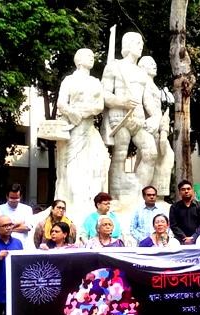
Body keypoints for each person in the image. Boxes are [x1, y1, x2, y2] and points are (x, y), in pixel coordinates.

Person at [102, 32, 157, 196]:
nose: (141, 46)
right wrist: (121, 101)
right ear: (127, 45)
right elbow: (103, 93)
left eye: (141, 42)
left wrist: (154, 117)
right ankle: (116, 195)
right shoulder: (114, 66)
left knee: (151, 153)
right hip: (120, 116)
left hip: (139, 118)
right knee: (120, 154)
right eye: (137, 42)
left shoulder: (142, 73)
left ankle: (139, 192)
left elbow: (147, 99)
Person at [55, 48, 109, 208]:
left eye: (93, 56)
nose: (92, 58)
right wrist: (73, 113)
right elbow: (61, 103)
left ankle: (94, 197)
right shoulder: (69, 80)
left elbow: (99, 105)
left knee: (100, 159)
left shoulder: (95, 82)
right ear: (78, 59)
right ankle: (75, 198)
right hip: (74, 127)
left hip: (89, 126)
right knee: (73, 161)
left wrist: (84, 112)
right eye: (88, 56)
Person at [139, 55, 174, 197]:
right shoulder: (145, 84)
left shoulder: (154, 86)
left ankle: (157, 193)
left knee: (163, 157)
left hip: (159, 125)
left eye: (154, 63)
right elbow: (148, 103)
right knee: (152, 158)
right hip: (151, 125)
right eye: (150, 63)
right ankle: (146, 192)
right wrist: (157, 119)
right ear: (142, 67)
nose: (154, 65)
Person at [0, 183, 34, 250]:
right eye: (12, 198)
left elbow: (27, 228)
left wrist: (6, 228)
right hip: (4, 246)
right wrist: (19, 223)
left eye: (16, 198)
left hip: (24, 245)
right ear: (7, 197)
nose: (14, 200)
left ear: (20, 197)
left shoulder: (27, 209)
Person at [169, 180, 200, 245]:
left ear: (192, 190)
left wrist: (193, 237)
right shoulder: (174, 207)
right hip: (179, 241)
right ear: (179, 192)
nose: (186, 191)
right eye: (183, 189)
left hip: (198, 240)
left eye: (188, 189)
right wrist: (184, 238)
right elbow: (173, 225)